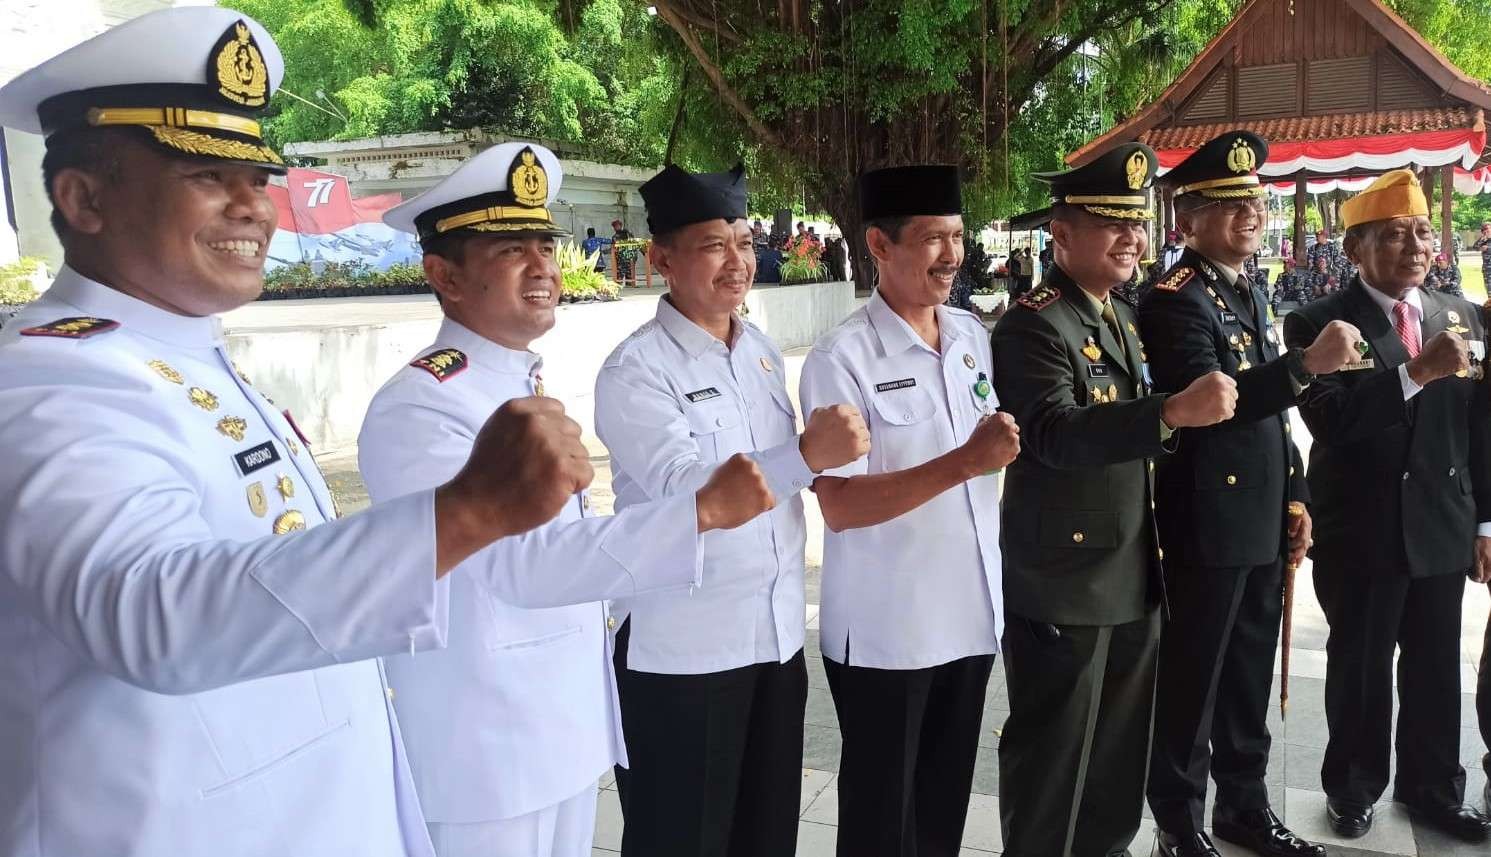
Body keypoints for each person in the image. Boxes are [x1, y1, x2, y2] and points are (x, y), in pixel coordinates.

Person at [0, 9, 596, 855]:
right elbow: (146, 608)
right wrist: (461, 514)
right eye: (206, 173)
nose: (252, 205)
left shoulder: (187, 354)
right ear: (84, 199)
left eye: (256, 177)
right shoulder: (47, 377)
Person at [359, 143, 777, 857]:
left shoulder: (518, 384)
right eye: (509, 250)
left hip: (561, 730)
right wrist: (697, 512)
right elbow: (521, 565)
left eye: (544, 244)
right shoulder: (421, 408)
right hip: (484, 751)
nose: (543, 266)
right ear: (443, 275)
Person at [594, 162, 870, 857]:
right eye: (715, 244)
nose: (737, 261)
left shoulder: (759, 353)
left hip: (772, 642)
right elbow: (688, 491)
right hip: (681, 652)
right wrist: (807, 454)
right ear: (661, 258)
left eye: (744, 242)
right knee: (679, 839)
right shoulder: (636, 369)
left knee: (764, 834)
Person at [990, 142, 1238, 857]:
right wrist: (1167, 412)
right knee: (1052, 757)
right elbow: (1051, 432)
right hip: (1063, 579)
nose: (1132, 238)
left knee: (1115, 753)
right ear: (1059, 234)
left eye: (1136, 221)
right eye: (1111, 223)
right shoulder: (1033, 323)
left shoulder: (1117, 315)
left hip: (1130, 566)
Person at [1139, 130, 1360, 857]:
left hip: (1261, 513)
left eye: (1254, 203)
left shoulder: (1249, 288)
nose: (1248, 216)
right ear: (1188, 219)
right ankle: (1178, 817)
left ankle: (1244, 804)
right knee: (1193, 676)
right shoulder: (1173, 300)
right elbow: (1220, 401)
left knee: (1245, 672)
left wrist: (1294, 494)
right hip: (1205, 518)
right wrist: (1304, 364)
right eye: (1229, 204)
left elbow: (1272, 421)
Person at [798, 165, 1018, 856]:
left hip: (971, 615)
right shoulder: (842, 358)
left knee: (941, 808)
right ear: (879, 245)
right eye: (930, 238)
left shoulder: (967, 337)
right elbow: (837, 505)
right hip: (888, 631)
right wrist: (962, 462)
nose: (950, 255)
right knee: (879, 821)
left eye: (956, 236)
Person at [1283, 170, 1491, 843]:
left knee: (1434, 667)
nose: (1413, 246)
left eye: (1422, 232)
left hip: (1441, 521)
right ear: (1354, 248)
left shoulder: (1459, 314)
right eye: (1393, 235)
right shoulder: (1316, 321)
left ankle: (1432, 787)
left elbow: (1479, 427)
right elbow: (1332, 421)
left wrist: (1484, 520)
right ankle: (1350, 785)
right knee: (1360, 667)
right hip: (1360, 527)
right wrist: (1413, 372)